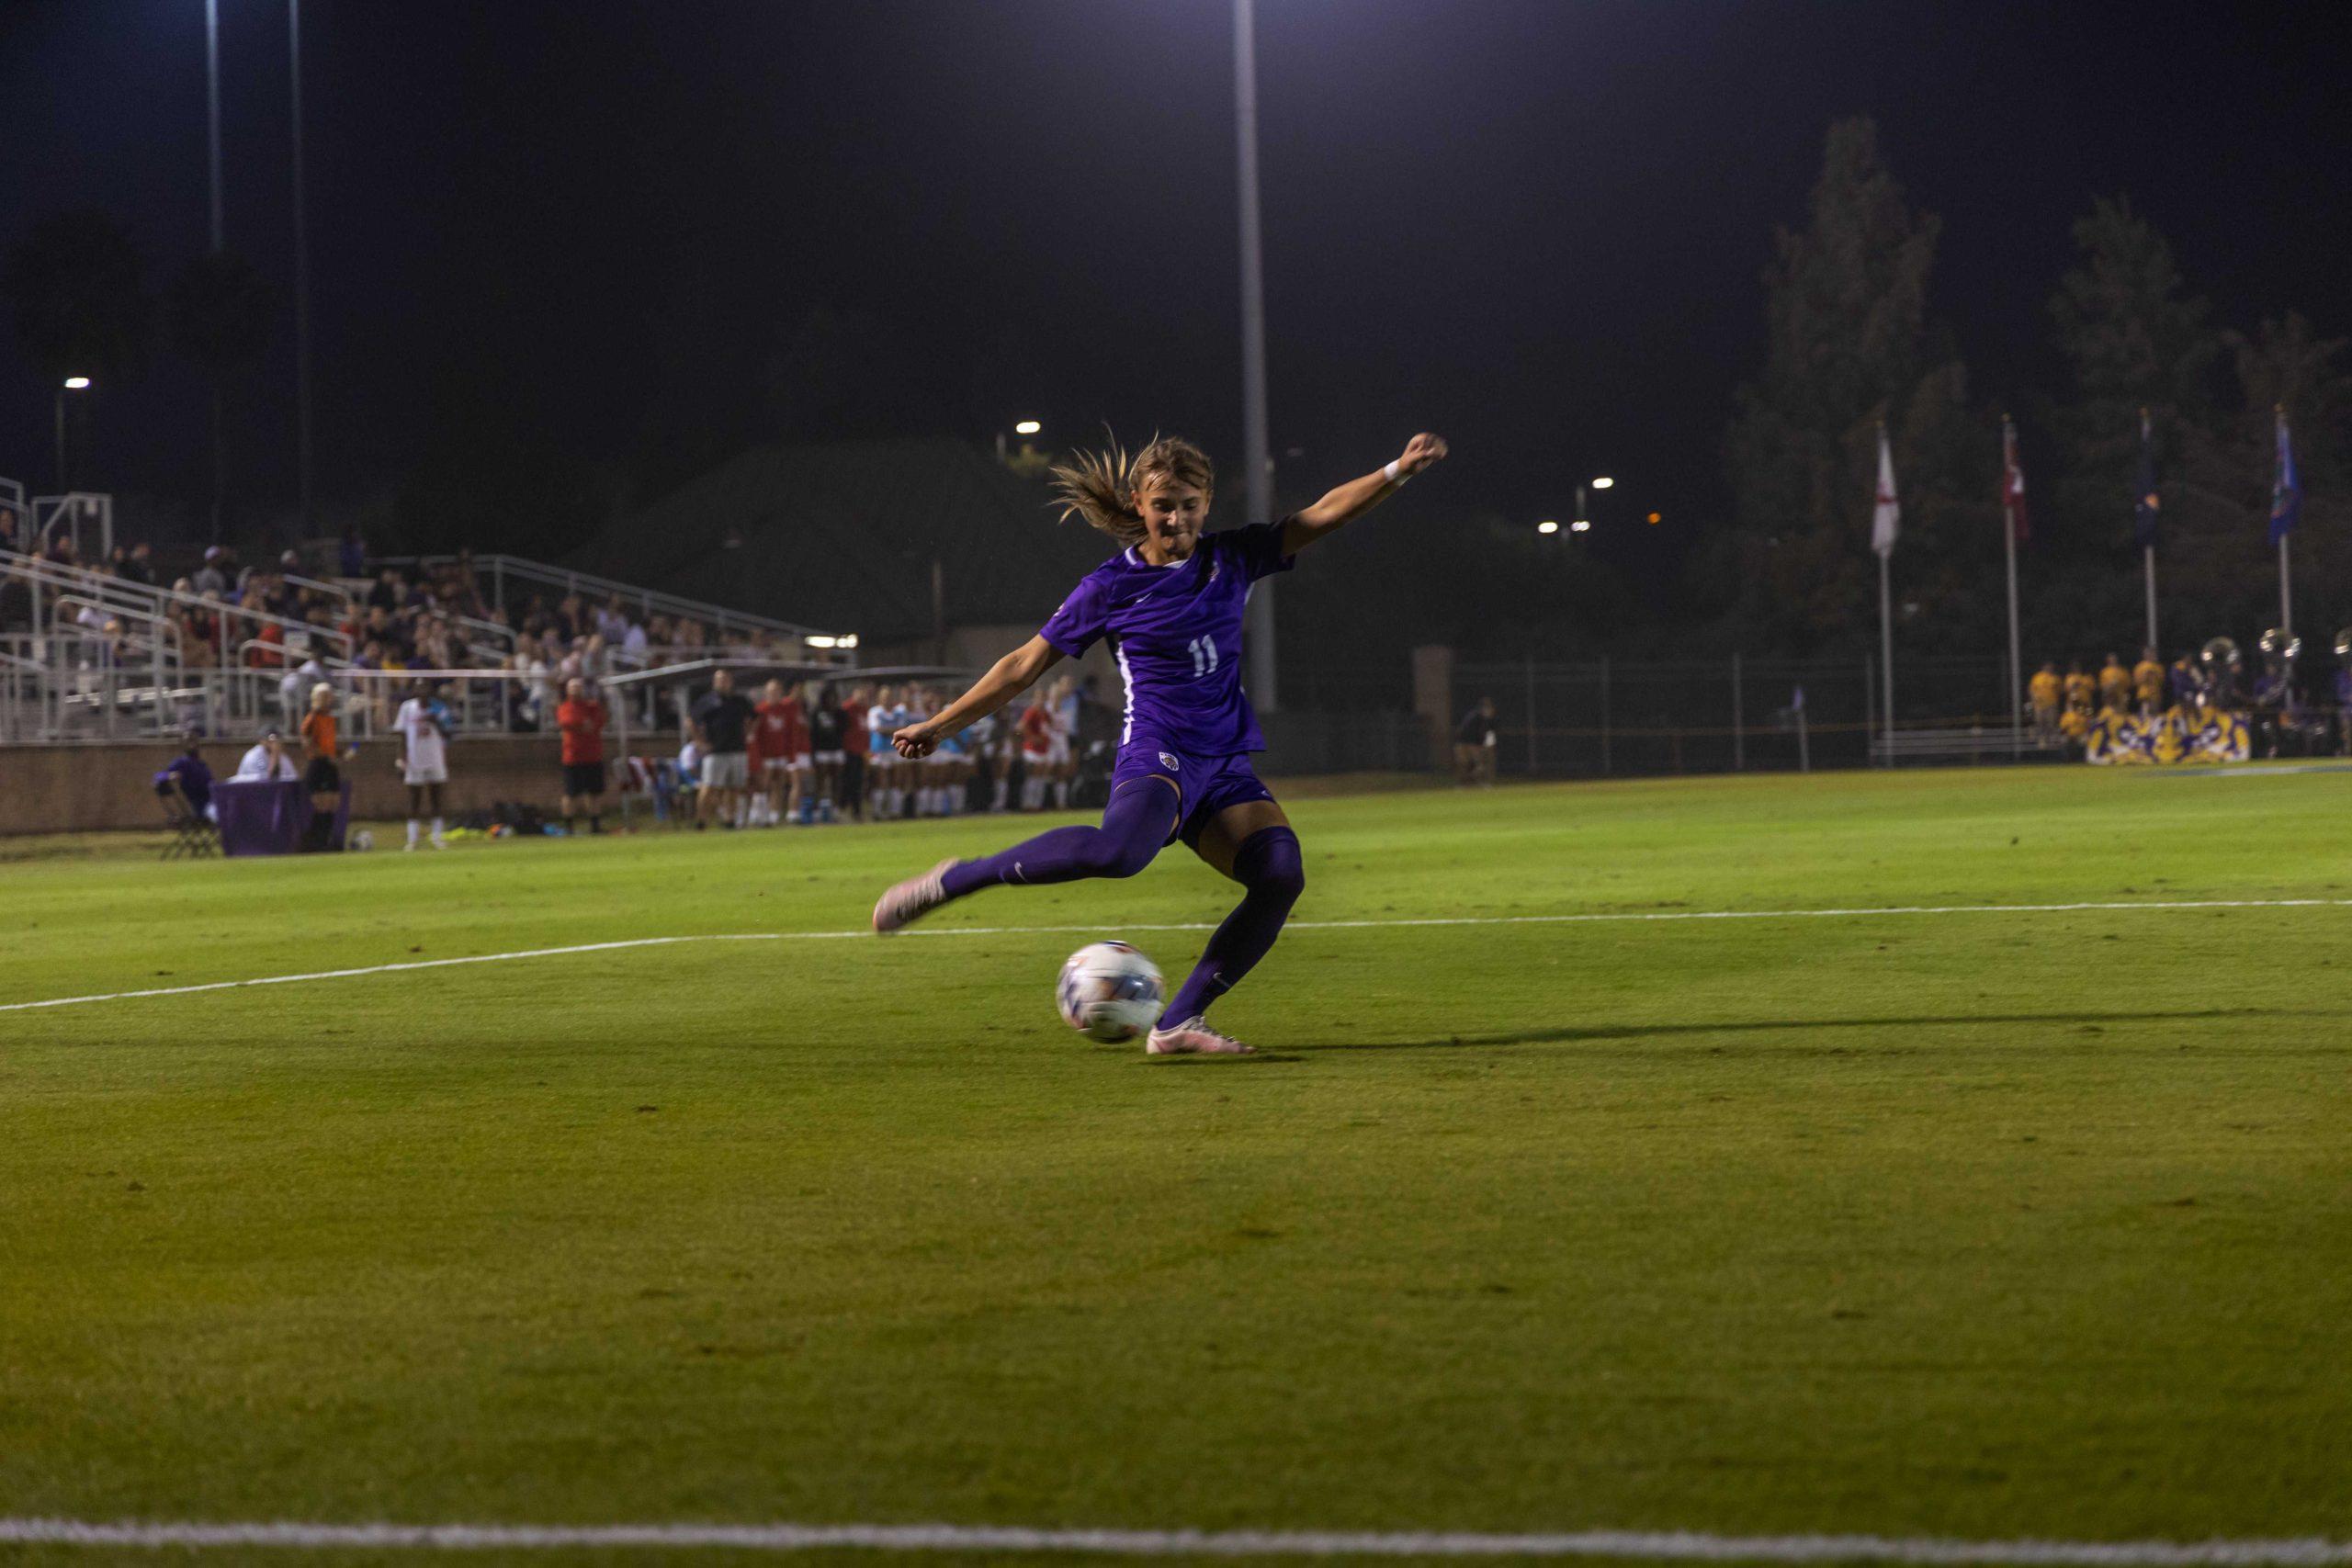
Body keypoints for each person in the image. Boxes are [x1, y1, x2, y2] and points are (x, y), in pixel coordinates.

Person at [873, 429, 1449, 1055]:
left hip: (1224, 759)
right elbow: (1023, 664)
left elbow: (1323, 514)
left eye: (1189, 504)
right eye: (1163, 505)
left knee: (1281, 875)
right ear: (1139, 505)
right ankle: (958, 879)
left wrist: (1397, 470)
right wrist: (940, 725)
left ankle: (1177, 1023)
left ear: (1206, 505)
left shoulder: (1234, 557)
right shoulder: (1109, 587)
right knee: (1119, 853)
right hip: (1158, 746)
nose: (1176, 518)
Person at [689, 669, 754, 830]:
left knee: (733, 787)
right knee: (709, 786)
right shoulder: (707, 701)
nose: (723, 682)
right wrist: (700, 741)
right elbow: (691, 721)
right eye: (719, 680)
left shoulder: (739, 700)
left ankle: (729, 819)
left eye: (725, 679)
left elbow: (753, 718)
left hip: (737, 749)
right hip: (716, 750)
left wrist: (747, 733)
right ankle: (701, 820)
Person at [394, 678, 451, 850]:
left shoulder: (439, 708)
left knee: (437, 797)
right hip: (414, 758)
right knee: (414, 799)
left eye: (425, 687)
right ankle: (412, 839)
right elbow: (401, 735)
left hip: (434, 757)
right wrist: (400, 759)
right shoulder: (407, 708)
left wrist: (437, 723)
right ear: (414, 691)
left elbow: (449, 734)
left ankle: (437, 836)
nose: (422, 691)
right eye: (419, 688)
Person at [557, 676, 608, 834]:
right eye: (573, 687)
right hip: (573, 757)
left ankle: (595, 825)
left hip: (593, 756)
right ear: (567, 690)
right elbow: (568, 722)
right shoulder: (564, 707)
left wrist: (584, 723)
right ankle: (569, 826)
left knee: (594, 793)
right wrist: (582, 724)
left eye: (578, 687)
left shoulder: (592, 707)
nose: (575, 690)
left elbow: (599, 721)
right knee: (571, 793)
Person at [755, 678, 809, 827]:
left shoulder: (786, 710)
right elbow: (756, 735)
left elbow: (791, 734)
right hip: (765, 754)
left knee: (778, 785)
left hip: (781, 754)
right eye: (772, 691)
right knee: (763, 786)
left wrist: (790, 755)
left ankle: (773, 815)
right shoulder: (761, 710)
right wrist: (757, 756)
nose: (775, 694)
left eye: (777, 691)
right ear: (766, 692)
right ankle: (758, 815)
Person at [806, 682, 844, 823]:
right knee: (820, 782)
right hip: (822, 750)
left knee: (836, 781)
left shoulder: (840, 713)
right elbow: (813, 733)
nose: (831, 699)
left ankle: (835, 810)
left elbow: (843, 730)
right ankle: (817, 811)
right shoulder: (817, 712)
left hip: (836, 750)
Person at [154, 737, 216, 821]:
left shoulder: (201, 764)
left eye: (194, 741)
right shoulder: (182, 762)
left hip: (214, 799)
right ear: (183, 745)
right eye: (189, 742)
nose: (192, 745)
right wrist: (170, 776)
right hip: (201, 805)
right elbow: (159, 776)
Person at [1455, 696, 1498, 784]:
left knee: (1477, 764)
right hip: (1466, 742)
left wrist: (1489, 745)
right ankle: (1466, 782)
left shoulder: (1486, 719)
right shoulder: (1476, 717)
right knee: (1467, 764)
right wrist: (1482, 745)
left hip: (1469, 743)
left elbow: (1489, 733)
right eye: (1488, 708)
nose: (1491, 710)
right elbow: (1469, 732)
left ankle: (1476, 782)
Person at [234, 730, 300, 782]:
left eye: (276, 740)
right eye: (270, 740)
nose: (274, 743)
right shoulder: (253, 756)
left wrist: (275, 755)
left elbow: (294, 778)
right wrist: (274, 757)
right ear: (262, 741)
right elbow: (265, 781)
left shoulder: (282, 757)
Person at [2028, 663, 2062, 744]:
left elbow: (2060, 690)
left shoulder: (2055, 678)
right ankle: (2040, 739)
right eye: (2047, 666)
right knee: (2040, 721)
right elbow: (2031, 689)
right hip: (2039, 704)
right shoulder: (2037, 677)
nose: (2049, 668)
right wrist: (2033, 700)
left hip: (2051, 704)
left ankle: (2050, 740)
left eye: (2050, 667)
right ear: (2043, 667)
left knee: (2051, 722)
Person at [2132, 646, 2166, 717]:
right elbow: (2136, 682)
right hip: (2145, 694)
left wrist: (2155, 674)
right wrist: (2145, 676)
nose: (2151, 655)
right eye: (2148, 653)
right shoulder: (2140, 667)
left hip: (2155, 694)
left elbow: (2162, 681)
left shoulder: (2159, 667)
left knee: (2155, 715)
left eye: (2152, 653)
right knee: (2145, 715)